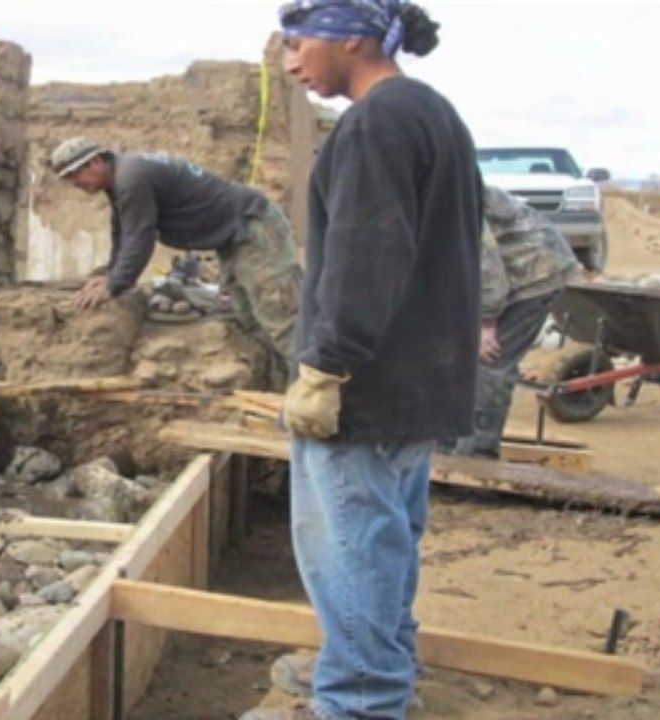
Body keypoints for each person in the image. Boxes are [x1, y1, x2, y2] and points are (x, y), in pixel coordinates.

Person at [244, 2, 482, 719]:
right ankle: (379, 667)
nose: (289, 64)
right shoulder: (430, 111)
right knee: (385, 542)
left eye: (296, 44)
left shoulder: (376, 121)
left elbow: (362, 254)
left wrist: (323, 370)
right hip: (417, 380)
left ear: (350, 36)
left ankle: (358, 700)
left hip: (366, 387)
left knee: (349, 549)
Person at [50, 136, 301, 384]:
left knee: (281, 320)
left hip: (253, 228)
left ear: (94, 161)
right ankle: (281, 393)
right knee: (249, 318)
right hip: (234, 237)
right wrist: (110, 274)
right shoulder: (121, 179)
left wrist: (115, 284)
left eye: (74, 175)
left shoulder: (131, 177)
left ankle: (318, 406)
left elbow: (140, 237)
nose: (74, 183)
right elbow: (123, 231)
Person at [452, 185, 581, 459]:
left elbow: (485, 262)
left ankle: (477, 454)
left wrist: (486, 322)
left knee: (490, 360)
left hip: (535, 268)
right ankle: (447, 443)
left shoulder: (445, 195)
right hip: (504, 270)